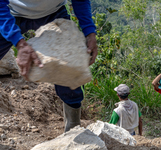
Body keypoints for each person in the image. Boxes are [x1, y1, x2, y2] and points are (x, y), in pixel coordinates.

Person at [0, 0, 97, 132]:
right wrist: (19, 42)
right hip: (11, 12)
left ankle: (73, 129)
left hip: (53, 13)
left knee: (69, 68)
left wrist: (89, 31)